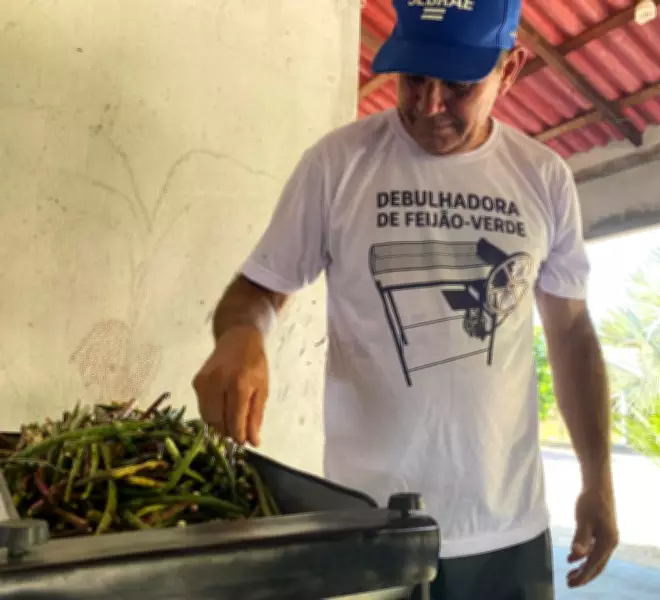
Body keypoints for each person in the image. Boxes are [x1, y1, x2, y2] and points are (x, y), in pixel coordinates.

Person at [192, 0, 619, 597]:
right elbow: (258, 290)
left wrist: (599, 479)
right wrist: (243, 335)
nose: (429, 105)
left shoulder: (543, 177)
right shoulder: (338, 163)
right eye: (414, 78)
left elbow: (571, 334)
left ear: (511, 68)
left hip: (504, 531)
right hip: (367, 530)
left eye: (459, 84)